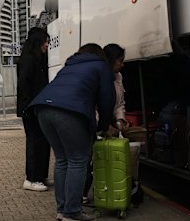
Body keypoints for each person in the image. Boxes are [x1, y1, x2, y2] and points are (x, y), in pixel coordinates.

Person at [30, 43, 115, 221]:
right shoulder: (101, 66)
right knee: (78, 160)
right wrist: (105, 126)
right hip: (68, 112)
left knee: (62, 160)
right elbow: (107, 100)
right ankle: (73, 212)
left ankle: (62, 210)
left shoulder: (69, 66)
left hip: (43, 109)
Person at [103, 43, 143, 206]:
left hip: (109, 119)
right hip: (98, 120)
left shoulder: (118, 78)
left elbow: (120, 103)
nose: (122, 64)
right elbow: (94, 107)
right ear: (111, 61)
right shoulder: (100, 77)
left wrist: (120, 121)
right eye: (120, 61)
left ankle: (123, 190)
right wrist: (105, 128)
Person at [17, 26, 51, 191]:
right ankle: (31, 179)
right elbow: (23, 85)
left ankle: (41, 176)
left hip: (38, 107)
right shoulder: (28, 60)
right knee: (34, 142)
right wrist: (25, 108)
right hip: (31, 109)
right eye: (45, 41)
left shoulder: (38, 59)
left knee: (43, 141)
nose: (47, 45)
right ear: (38, 42)